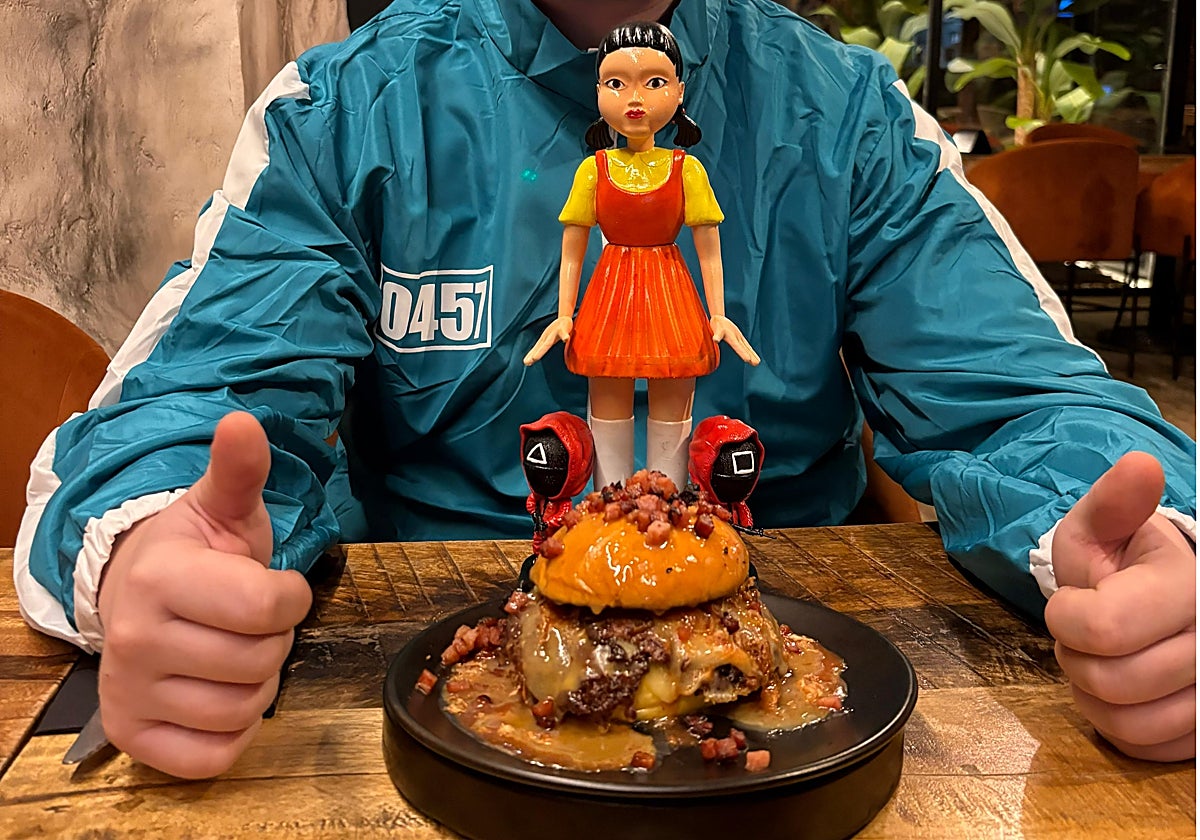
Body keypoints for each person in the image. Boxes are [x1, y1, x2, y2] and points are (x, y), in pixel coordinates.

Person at [14, 0, 1195, 779]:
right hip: (410, 725)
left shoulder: (852, 117)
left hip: (812, 735)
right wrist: (153, 550)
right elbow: (187, 408)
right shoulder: (342, 113)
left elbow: (1034, 402)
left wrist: (1150, 554)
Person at [522, 21, 759, 489]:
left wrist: (718, 314)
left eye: (654, 82)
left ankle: (667, 499)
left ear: (679, 91)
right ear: (597, 91)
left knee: (673, 396)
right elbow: (572, 251)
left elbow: (710, 252)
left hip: (671, 296)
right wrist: (564, 314)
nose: (635, 98)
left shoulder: (686, 170)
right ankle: (609, 500)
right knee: (608, 396)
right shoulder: (594, 170)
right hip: (610, 298)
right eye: (616, 83)